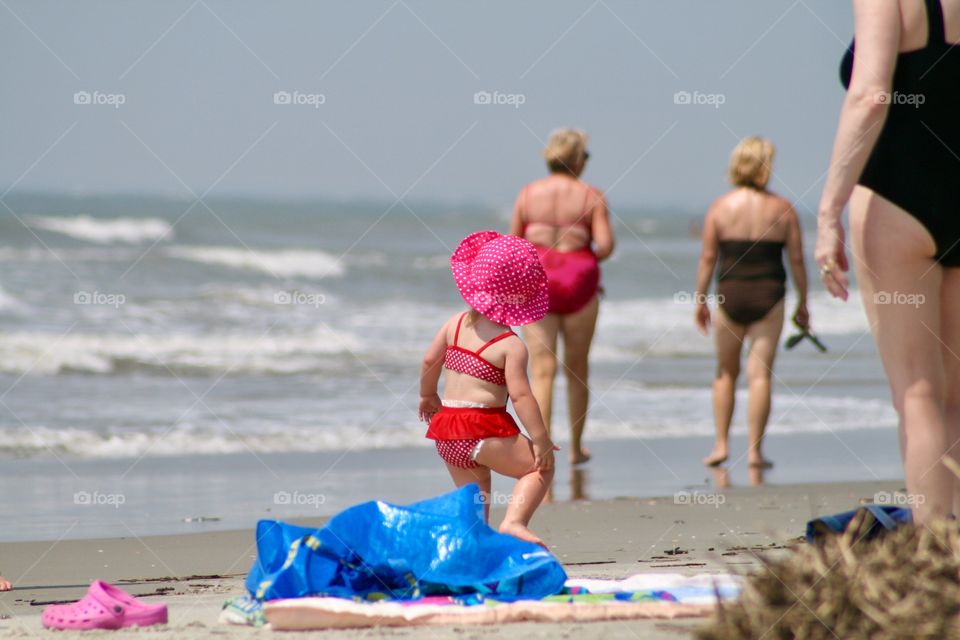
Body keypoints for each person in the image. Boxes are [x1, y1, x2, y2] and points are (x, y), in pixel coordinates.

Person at [817, 0, 960, 522]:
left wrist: (829, 210)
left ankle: (936, 550)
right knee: (954, 398)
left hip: (898, 201)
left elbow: (871, 94)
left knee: (919, 393)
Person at [419, 231, 558, 546]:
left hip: (447, 431)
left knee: (474, 503)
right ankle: (514, 522)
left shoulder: (453, 324)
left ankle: (475, 548)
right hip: (482, 427)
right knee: (539, 469)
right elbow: (522, 396)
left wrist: (427, 395)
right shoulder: (510, 345)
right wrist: (542, 441)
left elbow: (430, 361)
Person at [695, 137, 810, 469]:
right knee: (759, 376)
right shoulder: (783, 209)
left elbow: (707, 258)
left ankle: (720, 446)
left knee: (725, 373)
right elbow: (798, 260)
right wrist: (804, 302)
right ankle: (755, 453)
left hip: (730, 293)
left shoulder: (720, 207)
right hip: (769, 295)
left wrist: (700, 300)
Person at [508, 128, 614, 465]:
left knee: (542, 370)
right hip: (578, 281)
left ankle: (542, 448)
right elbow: (606, 245)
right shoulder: (591, 196)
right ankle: (577, 448)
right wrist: (582, 261)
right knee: (578, 368)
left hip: (537, 281)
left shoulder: (527, 195)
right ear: (578, 159)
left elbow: (513, 245)